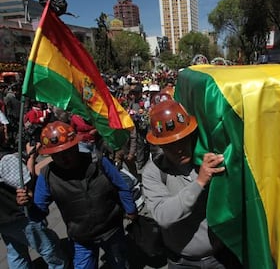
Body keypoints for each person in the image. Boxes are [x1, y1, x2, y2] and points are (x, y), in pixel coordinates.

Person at [16, 121, 137, 269]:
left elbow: (121, 186)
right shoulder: (47, 176)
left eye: (67, 151)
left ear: (75, 146)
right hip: (81, 238)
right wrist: (28, 204)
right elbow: (38, 215)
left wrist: (130, 209)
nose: (64, 158)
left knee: (119, 263)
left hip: (112, 230)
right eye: (57, 154)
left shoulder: (97, 161)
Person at [142, 99, 237, 268]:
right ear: (161, 146)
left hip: (221, 258)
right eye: (171, 144)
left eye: (183, 140)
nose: (179, 148)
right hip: (183, 263)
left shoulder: (207, 158)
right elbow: (162, 215)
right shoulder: (153, 172)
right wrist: (199, 182)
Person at [0, 146, 67, 269]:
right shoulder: (6, 159)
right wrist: (31, 158)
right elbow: (26, 183)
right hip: (19, 215)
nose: (5, 130)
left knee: (16, 252)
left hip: (3, 220)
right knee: (48, 247)